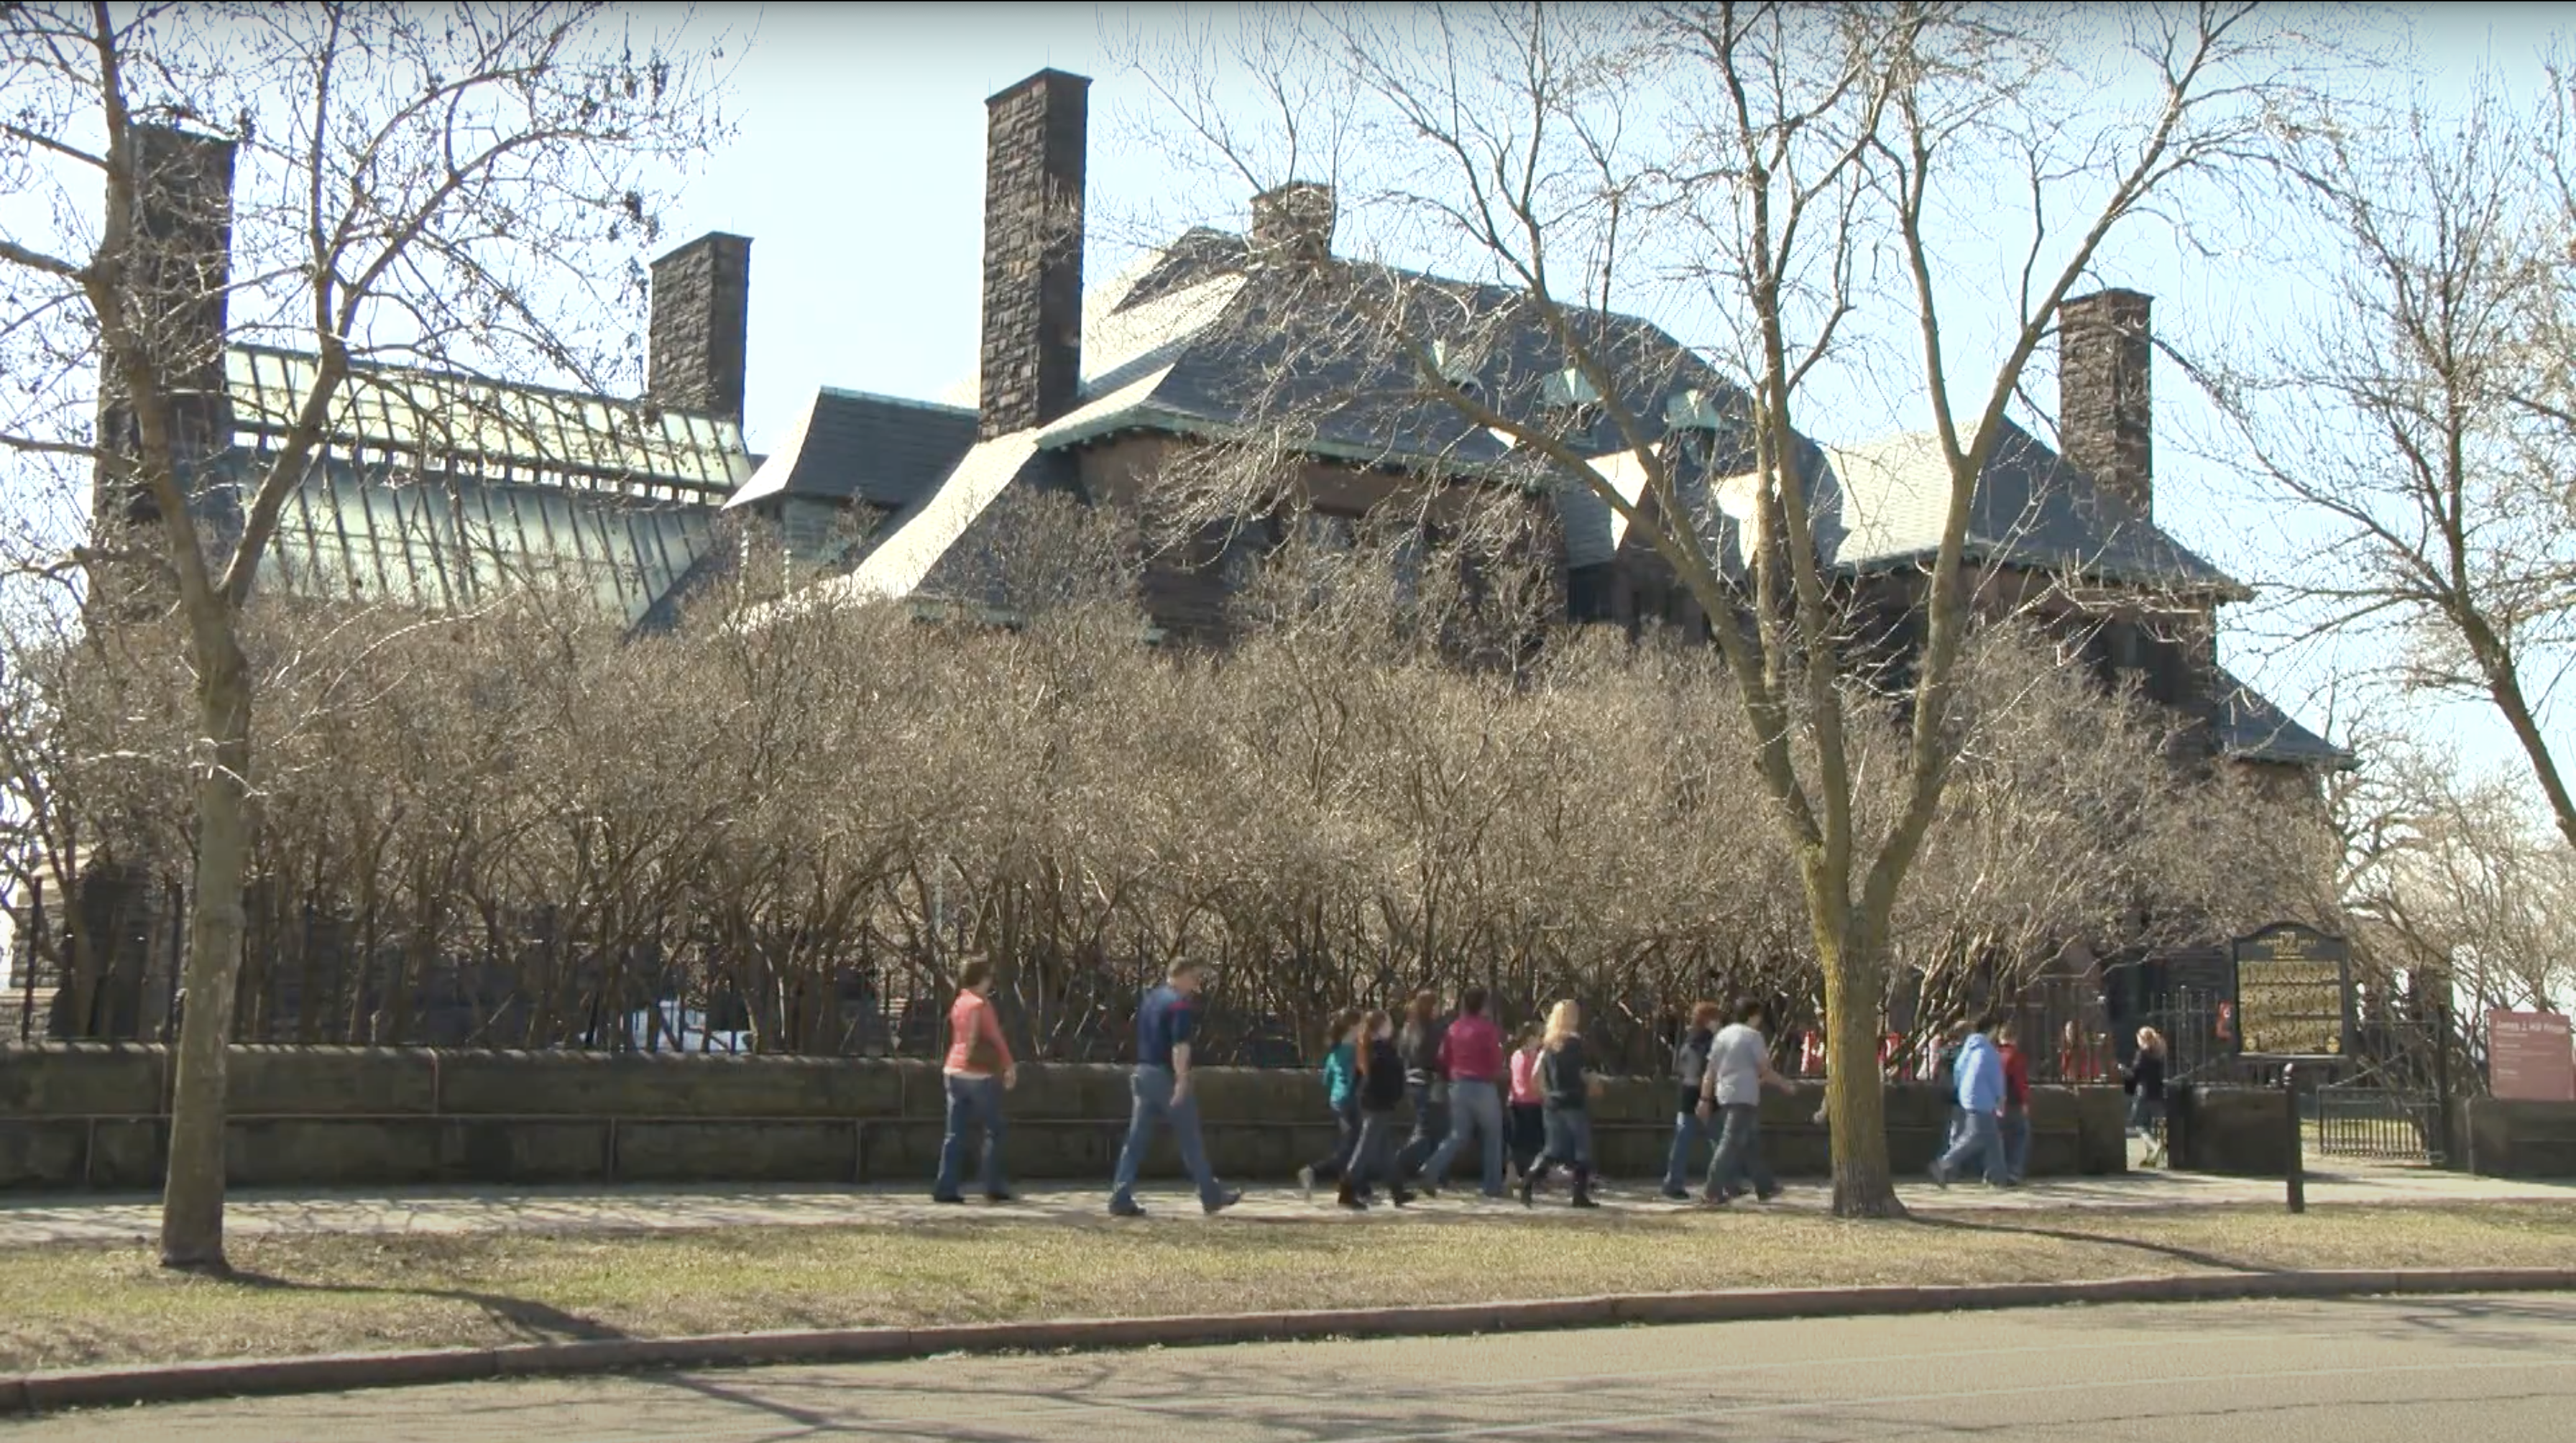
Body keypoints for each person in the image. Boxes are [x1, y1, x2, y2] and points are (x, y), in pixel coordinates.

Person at [1108, 960, 1243, 1217]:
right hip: (1165, 1076)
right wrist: (1181, 1080)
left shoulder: (1151, 1000)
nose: (1196, 984)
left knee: (1135, 1141)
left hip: (1143, 1073)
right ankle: (1210, 1195)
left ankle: (1120, 1195)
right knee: (1190, 1137)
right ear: (1180, 976)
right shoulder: (1179, 1005)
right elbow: (1180, 1046)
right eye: (1193, 977)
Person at [933, 959, 1018, 1204]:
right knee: (994, 1129)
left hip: (953, 1070)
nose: (991, 981)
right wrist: (1009, 1065)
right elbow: (995, 1037)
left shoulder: (959, 1003)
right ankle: (992, 1184)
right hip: (979, 1072)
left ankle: (946, 1186)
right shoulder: (981, 1005)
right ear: (981, 978)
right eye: (989, 977)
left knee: (954, 1133)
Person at [1698, 995, 1795, 1204]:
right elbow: (1764, 1069)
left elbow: (1710, 1071)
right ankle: (1712, 1190)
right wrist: (1784, 1084)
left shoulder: (1722, 1036)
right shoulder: (1753, 1037)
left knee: (1750, 1143)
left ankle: (1765, 1185)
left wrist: (1705, 1098)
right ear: (1754, 1016)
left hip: (1725, 1093)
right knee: (1730, 1142)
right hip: (1744, 1094)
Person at [1425, 985, 1509, 1199]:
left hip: (1458, 1085)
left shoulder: (1454, 1028)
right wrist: (1496, 1073)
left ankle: (1433, 1166)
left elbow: (1443, 1058)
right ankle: (1492, 1186)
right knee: (1493, 1135)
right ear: (1483, 1005)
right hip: (1482, 1086)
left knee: (1458, 1135)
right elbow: (1495, 1059)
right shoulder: (1488, 1029)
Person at [1517, 1000, 1600, 1209]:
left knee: (1552, 1149)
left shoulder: (1548, 1045)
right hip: (1573, 1100)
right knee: (1582, 1150)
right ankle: (1579, 1195)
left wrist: (1547, 1094)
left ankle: (1528, 1181)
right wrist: (1594, 1084)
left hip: (1553, 1102)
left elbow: (1536, 1076)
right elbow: (1584, 1073)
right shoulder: (1576, 1044)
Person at [1339, 1010, 1414, 1210]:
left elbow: (1359, 1079)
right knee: (1366, 1148)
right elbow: (1388, 1078)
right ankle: (1347, 1190)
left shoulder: (1368, 1047)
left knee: (1385, 1149)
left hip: (1371, 1102)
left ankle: (1397, 1190)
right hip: (1378, 1103)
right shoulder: (1381, 1050)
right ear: (1381, 1027)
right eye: (1388, 1023)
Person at [1928, 1015, 2009, 1188]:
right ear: (1992, 1030)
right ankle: (1943, 1165)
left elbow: (1959, 1070)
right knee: (1974, 1137)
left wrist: (1964, 1091)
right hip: (1982, 1100)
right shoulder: (1989, 1051)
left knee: (1993, 1139)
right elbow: (1996, 1078)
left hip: (1969, 1097)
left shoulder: (1969, 1048)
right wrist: (2000, 1098)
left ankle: (1998, 1175)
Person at [1298, 1008, 1365, 1202]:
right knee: (1353, 1148)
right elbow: (1362, 1074)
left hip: (1337, 1101)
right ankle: (1314, 1172)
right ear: (1353, 1027)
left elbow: (1327, 1079)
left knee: (1351, 1145)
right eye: (1361, 1024)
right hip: (1350, 1101)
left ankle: (1357, 1186)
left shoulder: (1335, 1051)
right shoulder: (1355, 1050)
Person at [1662, 1001, 1724, 1199]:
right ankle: (1722, 1184)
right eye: (1716, 1019)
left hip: (1687, 1095)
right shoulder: (1708, 1041)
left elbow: (1680, 1068)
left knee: (1683, 1142)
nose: (1719, 1023)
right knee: (1719, 1142)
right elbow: (1707, 1070)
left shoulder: (1689, 1040)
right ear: (1708, 1020)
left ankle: (1673, 1182)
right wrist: (1706, 1097)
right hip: (1704, 1097)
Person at [1392, 990, 1449, 1189]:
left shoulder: (1408, 1028)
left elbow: (1402, 1055)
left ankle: (1436, 1173)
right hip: (1430, 1081)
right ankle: (1399, 1164)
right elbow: (1440, 1058)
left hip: (1412, 1081)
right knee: (1430, 1129)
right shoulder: (1434, 1030)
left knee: (1432, 1128)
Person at [2123, 1026, 2170, 1168]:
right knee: (2153, 1123)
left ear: (2142, 1039)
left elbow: (2135, 1074)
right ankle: (2151, 1158)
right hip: (2158, 1091)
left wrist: (2124, 1070)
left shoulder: (2142, 1054)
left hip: (2144, 1092)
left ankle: (2155, 1147)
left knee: (2139, 1124)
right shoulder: (2159, 1053)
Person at [1506, 1023, 1547, 1184]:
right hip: (1532, 1103)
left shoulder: (1516, 1055)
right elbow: (1536, 1081)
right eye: (1539, 1036)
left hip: (1515, 1102)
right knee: (1536, 1142)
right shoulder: (1535, 1057)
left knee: (1517, 1142)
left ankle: (1514, 1174)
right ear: (1531, 1038)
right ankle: (1533, 1176)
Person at [1996, 1018, 2033, 1185]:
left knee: (2000, 1139)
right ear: (2015, 1038)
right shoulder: (2015, 1057)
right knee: (2019, 1137)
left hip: (1997, 1103)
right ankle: (2014, 1172)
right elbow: (2020, 1082)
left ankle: (1996, 1171)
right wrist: (2025, 1102)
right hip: (2013, 1103)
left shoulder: (1994, 1056)